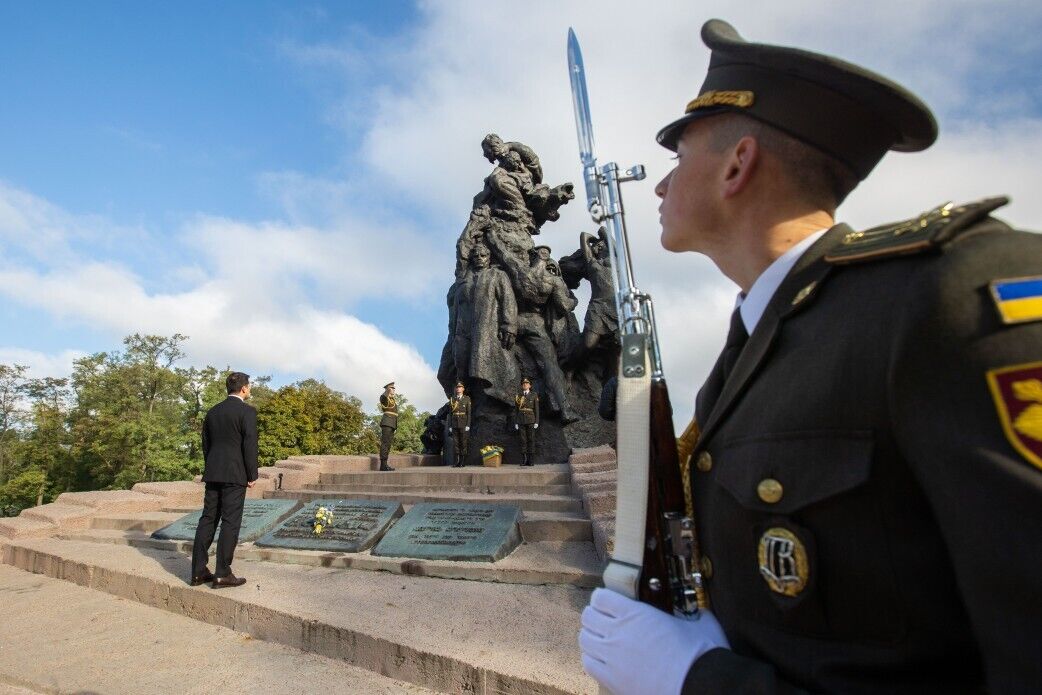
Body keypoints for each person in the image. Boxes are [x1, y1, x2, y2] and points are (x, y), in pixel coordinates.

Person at [579, 18, 1042, 695]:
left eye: (679, 158)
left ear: (738, 164)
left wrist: (700, 679)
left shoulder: (949, 295)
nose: (658, 186)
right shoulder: (742, 360)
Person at [191, 371, 258, 589]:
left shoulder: (212, 412)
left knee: (207, 519)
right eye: (249, 386)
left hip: (213, 472)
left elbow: (206, 445)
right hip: (235, 474)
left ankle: (198, 571)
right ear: (244, 388)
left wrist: (211, 467)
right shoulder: (247, 412)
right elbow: (249, 445)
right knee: (230, 521)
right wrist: (251, 474)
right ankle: (222, 573)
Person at [513, 377, 540, 466]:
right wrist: (516, 422)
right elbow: (516, 410)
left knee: (531, 439)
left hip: (531, 420)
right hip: (521, 420)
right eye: (523, 384)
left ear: (530, 385)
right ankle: (524, 460)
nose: (525, 384)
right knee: (523, 440)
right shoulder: (518, 396)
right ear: (522, 386)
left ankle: (531, 460)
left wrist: (536, 421)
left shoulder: (534, 395)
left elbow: (536, 409)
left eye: (527, 383)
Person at [447, 381, 472, 467]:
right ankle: (456, 461)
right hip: (454, 423)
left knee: (463, 442)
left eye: (460, 387)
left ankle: (462, 461)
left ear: (463, 389)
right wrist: (450, 425)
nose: (458, 388)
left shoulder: (467, 399)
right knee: (456, 443)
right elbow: (450, 413)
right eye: (457, 387)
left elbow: (469, 413)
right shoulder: (452, 399)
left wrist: (468, 425)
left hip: (463, 423)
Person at [377, 382, 397, 472]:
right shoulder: (384, 398)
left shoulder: (393, 400)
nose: (394, 390)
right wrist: (387, 391)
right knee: (385, 444)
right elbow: (384, 396)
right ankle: (383, 465)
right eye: (392, 388)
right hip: (387, 422)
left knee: (388, 444)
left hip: (392, 423)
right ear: (388, 389)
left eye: (393, 388)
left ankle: (385, 465)